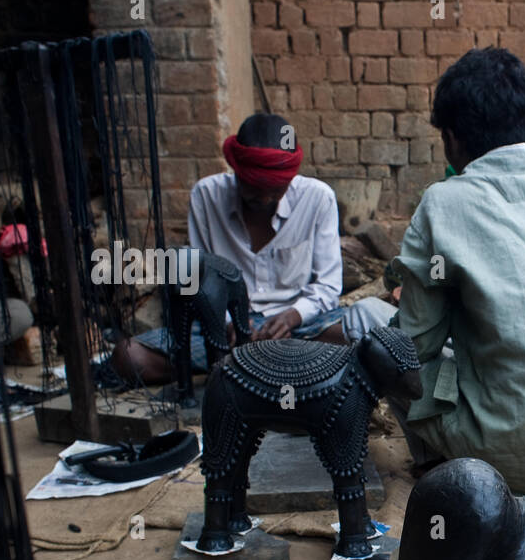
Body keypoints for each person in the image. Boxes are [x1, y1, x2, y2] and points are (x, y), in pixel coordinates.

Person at [351, 47, 525, 493]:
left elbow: (413, 346)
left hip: (503, 456)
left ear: (454, 139)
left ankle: (440, 464)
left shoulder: (443, 203)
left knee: (377, 334)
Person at [110, 112, 349, 384]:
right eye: (254, 186)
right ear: (236, 170)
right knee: (129, 358)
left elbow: (328, 286)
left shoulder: (318, 198)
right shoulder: (206, 195)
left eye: (276, 189)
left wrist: (293, 315)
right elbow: (200, 280)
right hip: (224, 335)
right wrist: (224, 322)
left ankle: (247, 368)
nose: (264, 197)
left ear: (290, 179)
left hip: (298, 329)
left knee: (359, 336)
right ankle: (276, 368)